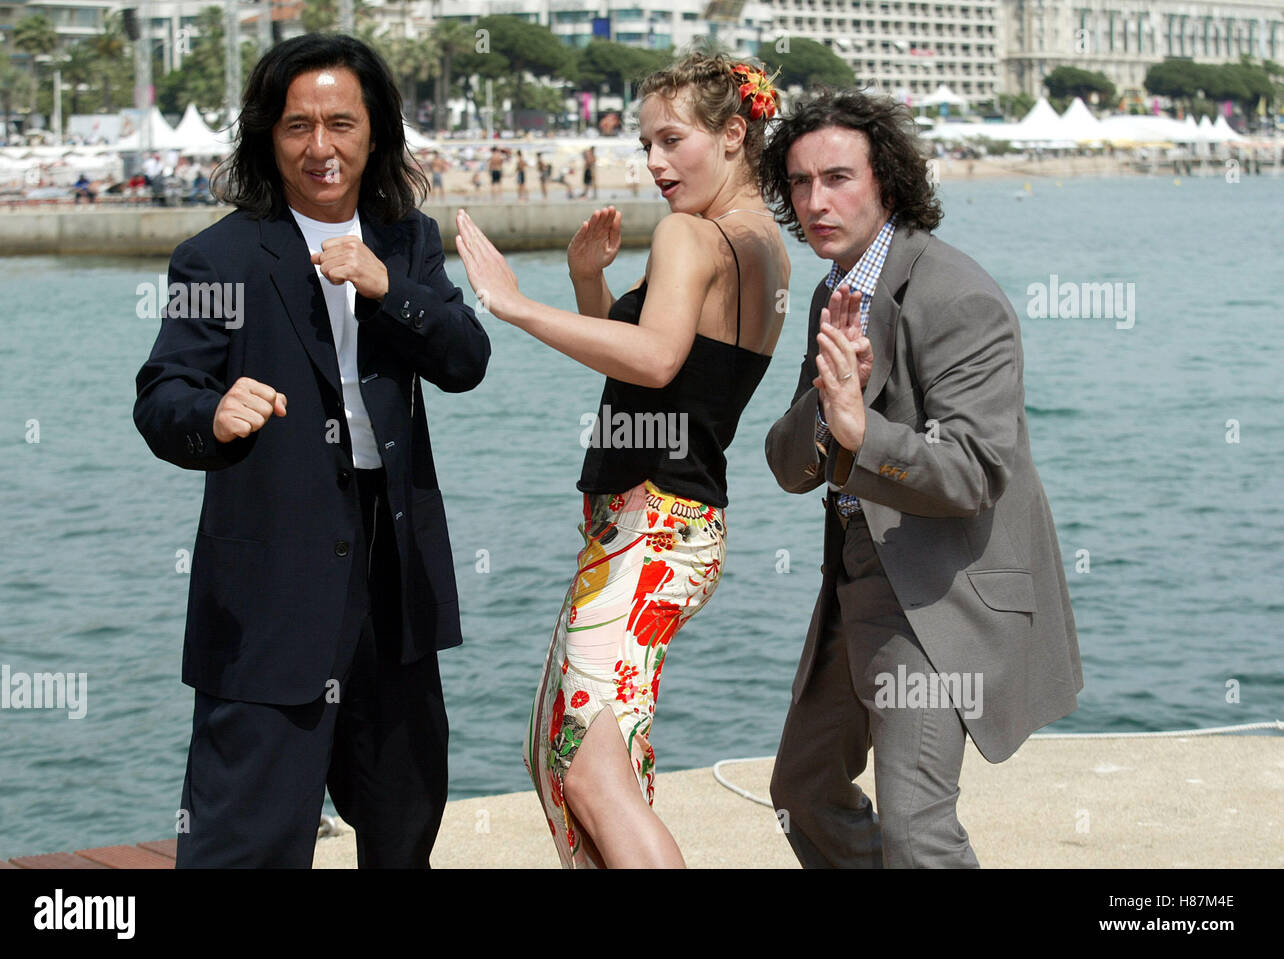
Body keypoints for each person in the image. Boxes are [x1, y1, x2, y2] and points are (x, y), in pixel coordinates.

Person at [132, 33, 490, 868]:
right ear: (268, 135)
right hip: (267, 584)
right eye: (298, 126)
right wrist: (213, 413)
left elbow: (465, 360)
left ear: (375, 133)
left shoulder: (407, 241)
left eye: (341, 123)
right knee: (244, 839)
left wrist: (388, 288)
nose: (320, 147)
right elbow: (160, 397)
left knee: (402, 828)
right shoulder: (217, 256)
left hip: (393, 571)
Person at [455, 54, 787, 868]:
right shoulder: (764, 244)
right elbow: (652, 368)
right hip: (674, 526)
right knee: (573, 752)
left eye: (673, 141)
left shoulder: (690, 234)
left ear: (735, 135)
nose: (655, 164)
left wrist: (514, 303)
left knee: (583, 762)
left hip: (651, 523)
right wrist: (585, 281)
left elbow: (658, 360)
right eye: (646, 145)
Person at [758, 91, 1082, 868]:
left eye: (837, 177)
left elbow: (975, 470)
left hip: (938, 591)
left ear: (889, 186)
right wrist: (830, 413)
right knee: (805, 791)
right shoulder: (833, 293)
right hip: (857, 580)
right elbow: (787, 465)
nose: (815, 201)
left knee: (916, 829)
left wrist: (864, 433)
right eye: (800, 183)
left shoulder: (957, 295)